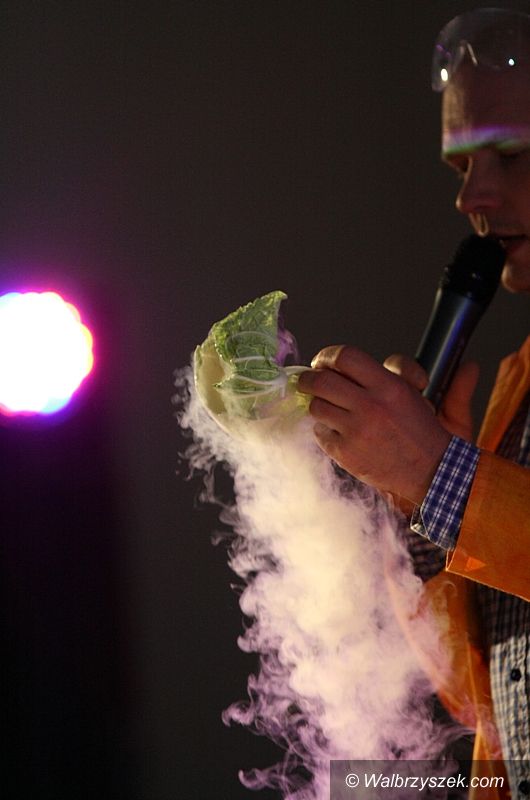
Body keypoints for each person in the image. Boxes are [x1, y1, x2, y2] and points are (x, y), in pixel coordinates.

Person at [297, 7, 530, 798]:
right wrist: (421, 506)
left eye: (513, 154)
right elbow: (482, 698)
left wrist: (438, 472)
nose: (474, 197)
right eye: (461, 167)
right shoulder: (519, 384)